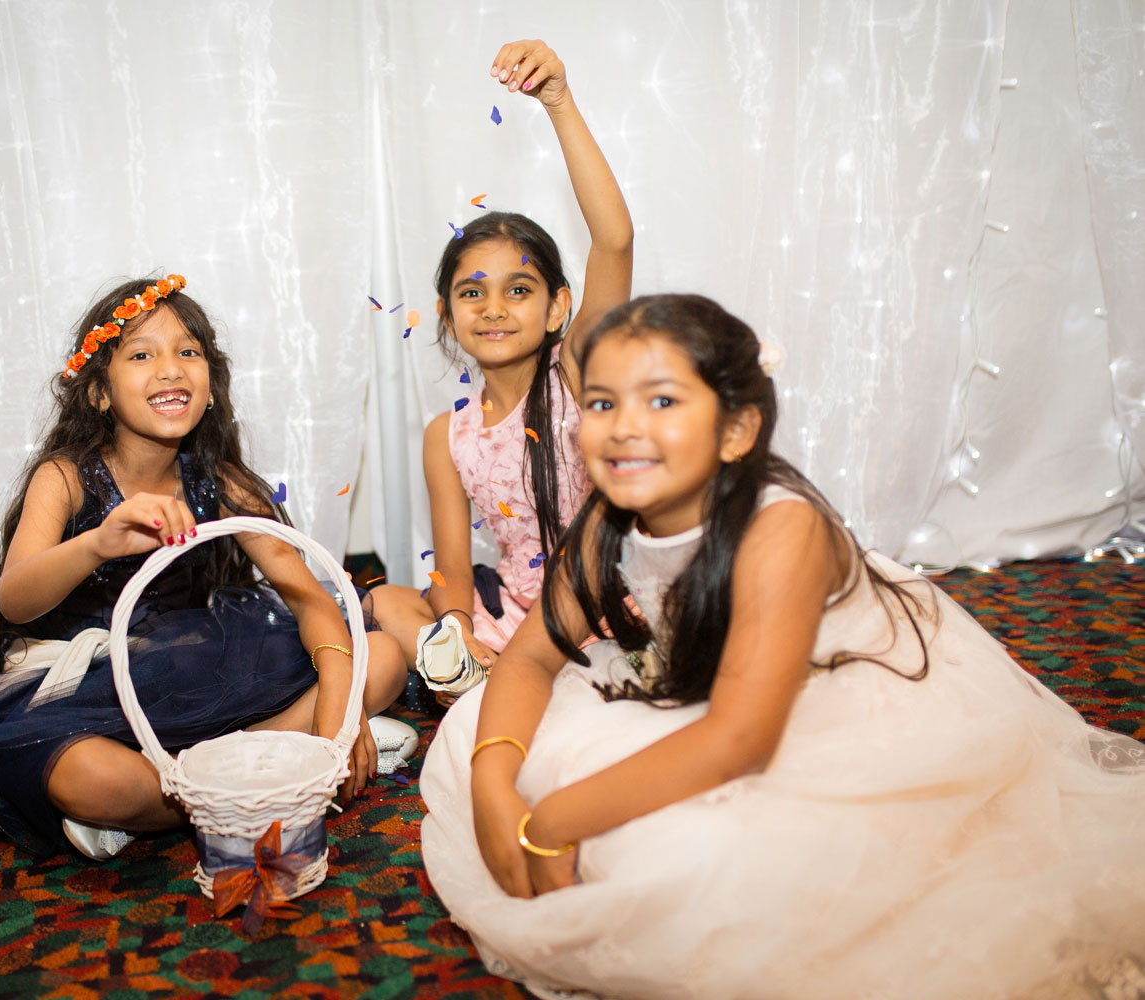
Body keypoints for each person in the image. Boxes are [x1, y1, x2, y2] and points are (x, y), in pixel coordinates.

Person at [420, 294, 1145, 999]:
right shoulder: (607, 518)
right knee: (472, 731)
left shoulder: (781, 530)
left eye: (662, 402)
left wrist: (552, 818)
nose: (622, 427)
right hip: (698, 681)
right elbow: (529, 658)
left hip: (834, 703)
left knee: (693, 863)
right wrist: (493, 781)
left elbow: (741, 737)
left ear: (736, 431)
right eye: (603, 403)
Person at [0, 275, 408, 859]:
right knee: (89, 779)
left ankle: (213, 776)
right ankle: (262, 764)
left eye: (189, 352)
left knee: (382, 659)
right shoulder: (64, 477)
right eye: (141, 354)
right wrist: (97, 545)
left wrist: (340, 698)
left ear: (211, 385)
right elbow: (15, 598)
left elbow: (308, 595)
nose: (170, 369)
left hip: (204, 667)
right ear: (99, 393)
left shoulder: (223, 480)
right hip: (90, 687)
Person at [371, 39, 633, 696]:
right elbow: (454, 570)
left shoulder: (576, 373)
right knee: (385, 603)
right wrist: (454, 630)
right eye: (471, 292)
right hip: (515, 613)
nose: (493, 308)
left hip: (603, 606)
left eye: (519, 290)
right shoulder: (447, 435)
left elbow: (614, 240)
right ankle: (486, 677)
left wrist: (558, 102)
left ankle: (522, 685)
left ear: (556, 309)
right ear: (447, 312)